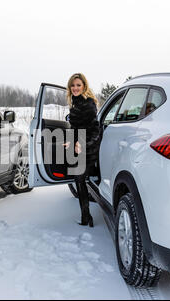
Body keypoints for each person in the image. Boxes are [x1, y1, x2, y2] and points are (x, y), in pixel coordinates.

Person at [63, 73, 100, 228]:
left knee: (80, 179)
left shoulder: (88, 104)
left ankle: (86, 217)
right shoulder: (76, 103)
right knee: (79, 180)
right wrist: (71, 141)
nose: (75, 88)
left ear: (84, 86)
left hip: (87, 149)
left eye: (78, 85)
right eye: (73, 85)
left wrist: (82, 144)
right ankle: (86, 216)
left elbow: (95, 131)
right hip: (78, 148)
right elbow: (76, 128)